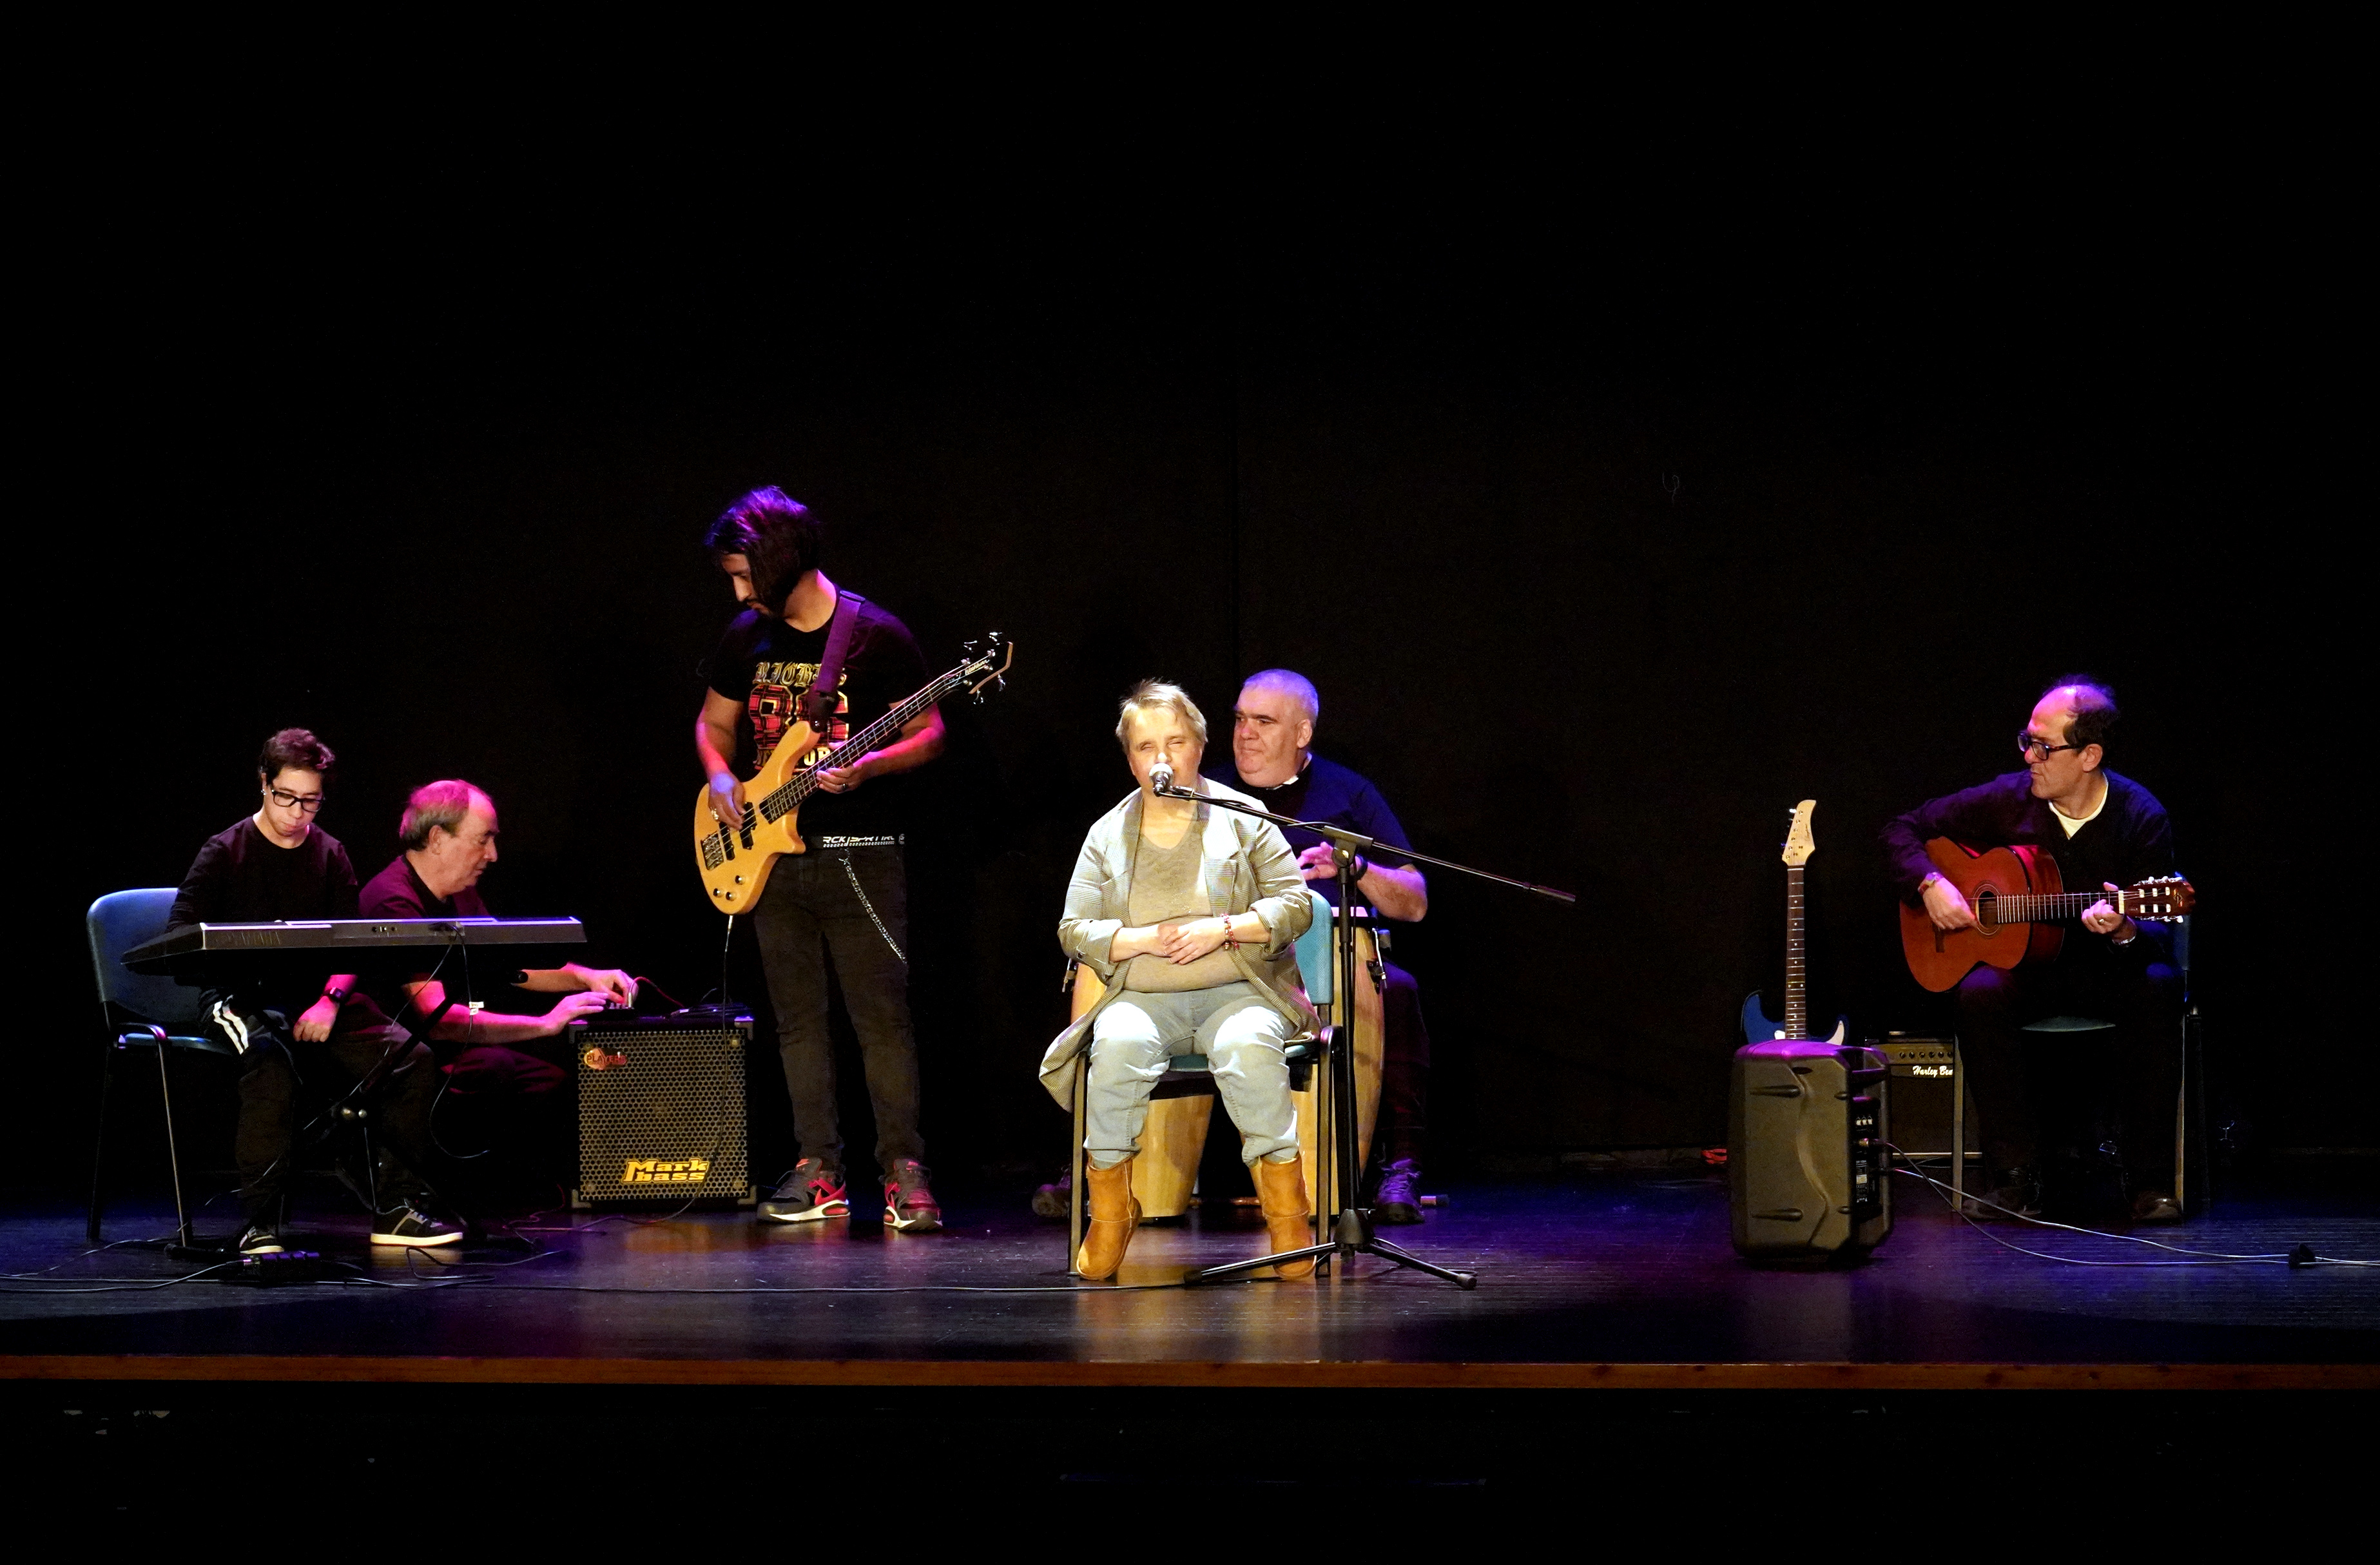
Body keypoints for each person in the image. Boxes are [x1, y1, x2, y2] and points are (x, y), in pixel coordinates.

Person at [695, 486, 947, 1232]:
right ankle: (818, 1169)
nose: (740, 593)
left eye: (745, 576)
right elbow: (713, 725)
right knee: (798, 1023)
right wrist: (720, 777)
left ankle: (903, 1168)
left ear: (778, 564)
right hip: (772, 858)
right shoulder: (747, 636)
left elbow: (930, 731)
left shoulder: (876, 636)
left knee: (882, 1021)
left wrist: (868, 767)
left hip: (861, 854)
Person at [1040, 681, 1322, 1280]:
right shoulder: (1106, 833)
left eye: (1175, 742)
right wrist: (1142, 939)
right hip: (1144, 996)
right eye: (1146, 747)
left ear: (1198, 745)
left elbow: (1295, 905)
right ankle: (1111, 1211)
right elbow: (1073, 929)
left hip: (1239, 991)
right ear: (1130, 760)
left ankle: (1286, 1215)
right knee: (1115, 1047)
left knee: (1248, 1047)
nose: (1161, 758)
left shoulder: (1244, 818)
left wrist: (1224, 929)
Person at [1882, 679, 2185, 1221]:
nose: (2028, 757)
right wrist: (1930, 884)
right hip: (2029, 970)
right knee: (1979, 993)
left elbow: (2160, 931)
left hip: (2107, 973)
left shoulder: (2141, 816)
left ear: (2089, 756)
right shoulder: (2009, 797)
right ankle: (2014, 1179)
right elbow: (1902, 828)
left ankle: (2149, 1183)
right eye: (2027, 741)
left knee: (2158, 985)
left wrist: (2124, 929)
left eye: (2043, 747)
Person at [166, 728, 460, 1253]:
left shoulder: (330, 854)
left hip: (314, 998)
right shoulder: (224, 852)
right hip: (239, 999)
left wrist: (331, 1000)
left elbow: (351, 946)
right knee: (270, 1061)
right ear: (264, 783)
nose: (298, 813)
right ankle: (260, 1223)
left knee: (410, 1059)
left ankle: (396, 1208)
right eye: (287, 797)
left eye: (311, 801)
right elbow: (180, 936)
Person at [1227, 670, 1437, 1223]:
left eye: (1263, 721)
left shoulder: (1347, 793)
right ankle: (1095, 1160)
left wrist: (1356, 867)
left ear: (1302, 734)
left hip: (1328, 962)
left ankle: (1401, 1166)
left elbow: (1414, 901)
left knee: (1397, 992)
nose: (1245, 733)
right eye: (1240, 719)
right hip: (1232, 960)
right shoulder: (1210, 793)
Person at [358, 780, 630, 1176]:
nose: (493, 854)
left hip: (448, 1049)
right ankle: (447, 1186)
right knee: (494, 1068)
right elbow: (439, 1020)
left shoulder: (459, 892)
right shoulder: (394, 902)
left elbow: (509, 968)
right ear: (438, 839)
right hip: (406, 1061)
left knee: (555, 1083)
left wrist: (587, 978)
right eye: (483, 839)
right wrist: (546, 1023)